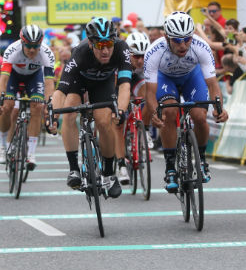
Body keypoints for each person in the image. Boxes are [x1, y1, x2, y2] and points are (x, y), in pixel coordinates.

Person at [47, 17, 132, 199]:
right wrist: (52, 116)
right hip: (80, 81)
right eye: (100, 45)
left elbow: (125, 84)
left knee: (104, 121)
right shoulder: (80, 52)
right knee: (69, 113)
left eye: (109, 44)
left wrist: (122, 111)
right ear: (91, 43)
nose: (106, 50)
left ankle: (109, 174)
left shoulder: (122, 48)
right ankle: (73, 169)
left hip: (104, 83)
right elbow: (61, 90)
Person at [144, 11, 228, 193]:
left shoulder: (201, 47)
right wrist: (153, 112)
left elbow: (213, 85)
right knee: (169, 113)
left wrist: (219, 107)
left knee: (199, 116)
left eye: (187, 39)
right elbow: (149, 92)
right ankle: (170, 167)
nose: (182, 45)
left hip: (192, 78)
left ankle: (202, 159)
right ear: (166, 37)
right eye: (176, 40)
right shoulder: (154, 51)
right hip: (166, 79)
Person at [0, 25, 55, 169]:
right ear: (22, 43)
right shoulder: (12, 50)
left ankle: (31, 153)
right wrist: (2, 96)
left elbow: (49, 83)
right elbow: (4, 78)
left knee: (37, 107)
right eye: (29, 46)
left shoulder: (46, 53)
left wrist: (49, 103)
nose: (32, 50)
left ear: (40, 44)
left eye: (36, 46)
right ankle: (3, 145)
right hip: (13, 76)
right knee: (8, 107)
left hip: (34, 78)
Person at [114, 32, 153, 185]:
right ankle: (121, 165)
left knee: (150, 97)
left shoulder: (148, 61)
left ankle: (144, 130)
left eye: (143, 56)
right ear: (128, 54)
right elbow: (114, 88)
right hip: (118, 82)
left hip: (136, 79)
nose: (141, 60)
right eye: (136, 56)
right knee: (118, 122)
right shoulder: (119, 58)